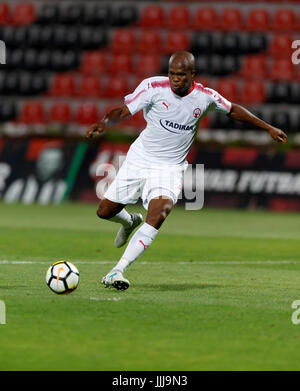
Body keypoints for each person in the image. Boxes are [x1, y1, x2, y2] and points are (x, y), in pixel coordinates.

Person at [86, 51, 287, 291]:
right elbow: (122, 111)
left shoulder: (205, 97)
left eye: (181, 75)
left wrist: (268, 128)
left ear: (193, 75)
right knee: (104, 211)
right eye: (171, 73)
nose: (175, 79)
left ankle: (117, 270)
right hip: (139, 159)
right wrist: (103, 122)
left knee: (158, 215)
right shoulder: (152, 87)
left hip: (170, 168)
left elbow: (233, 110)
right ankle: (129, 222)